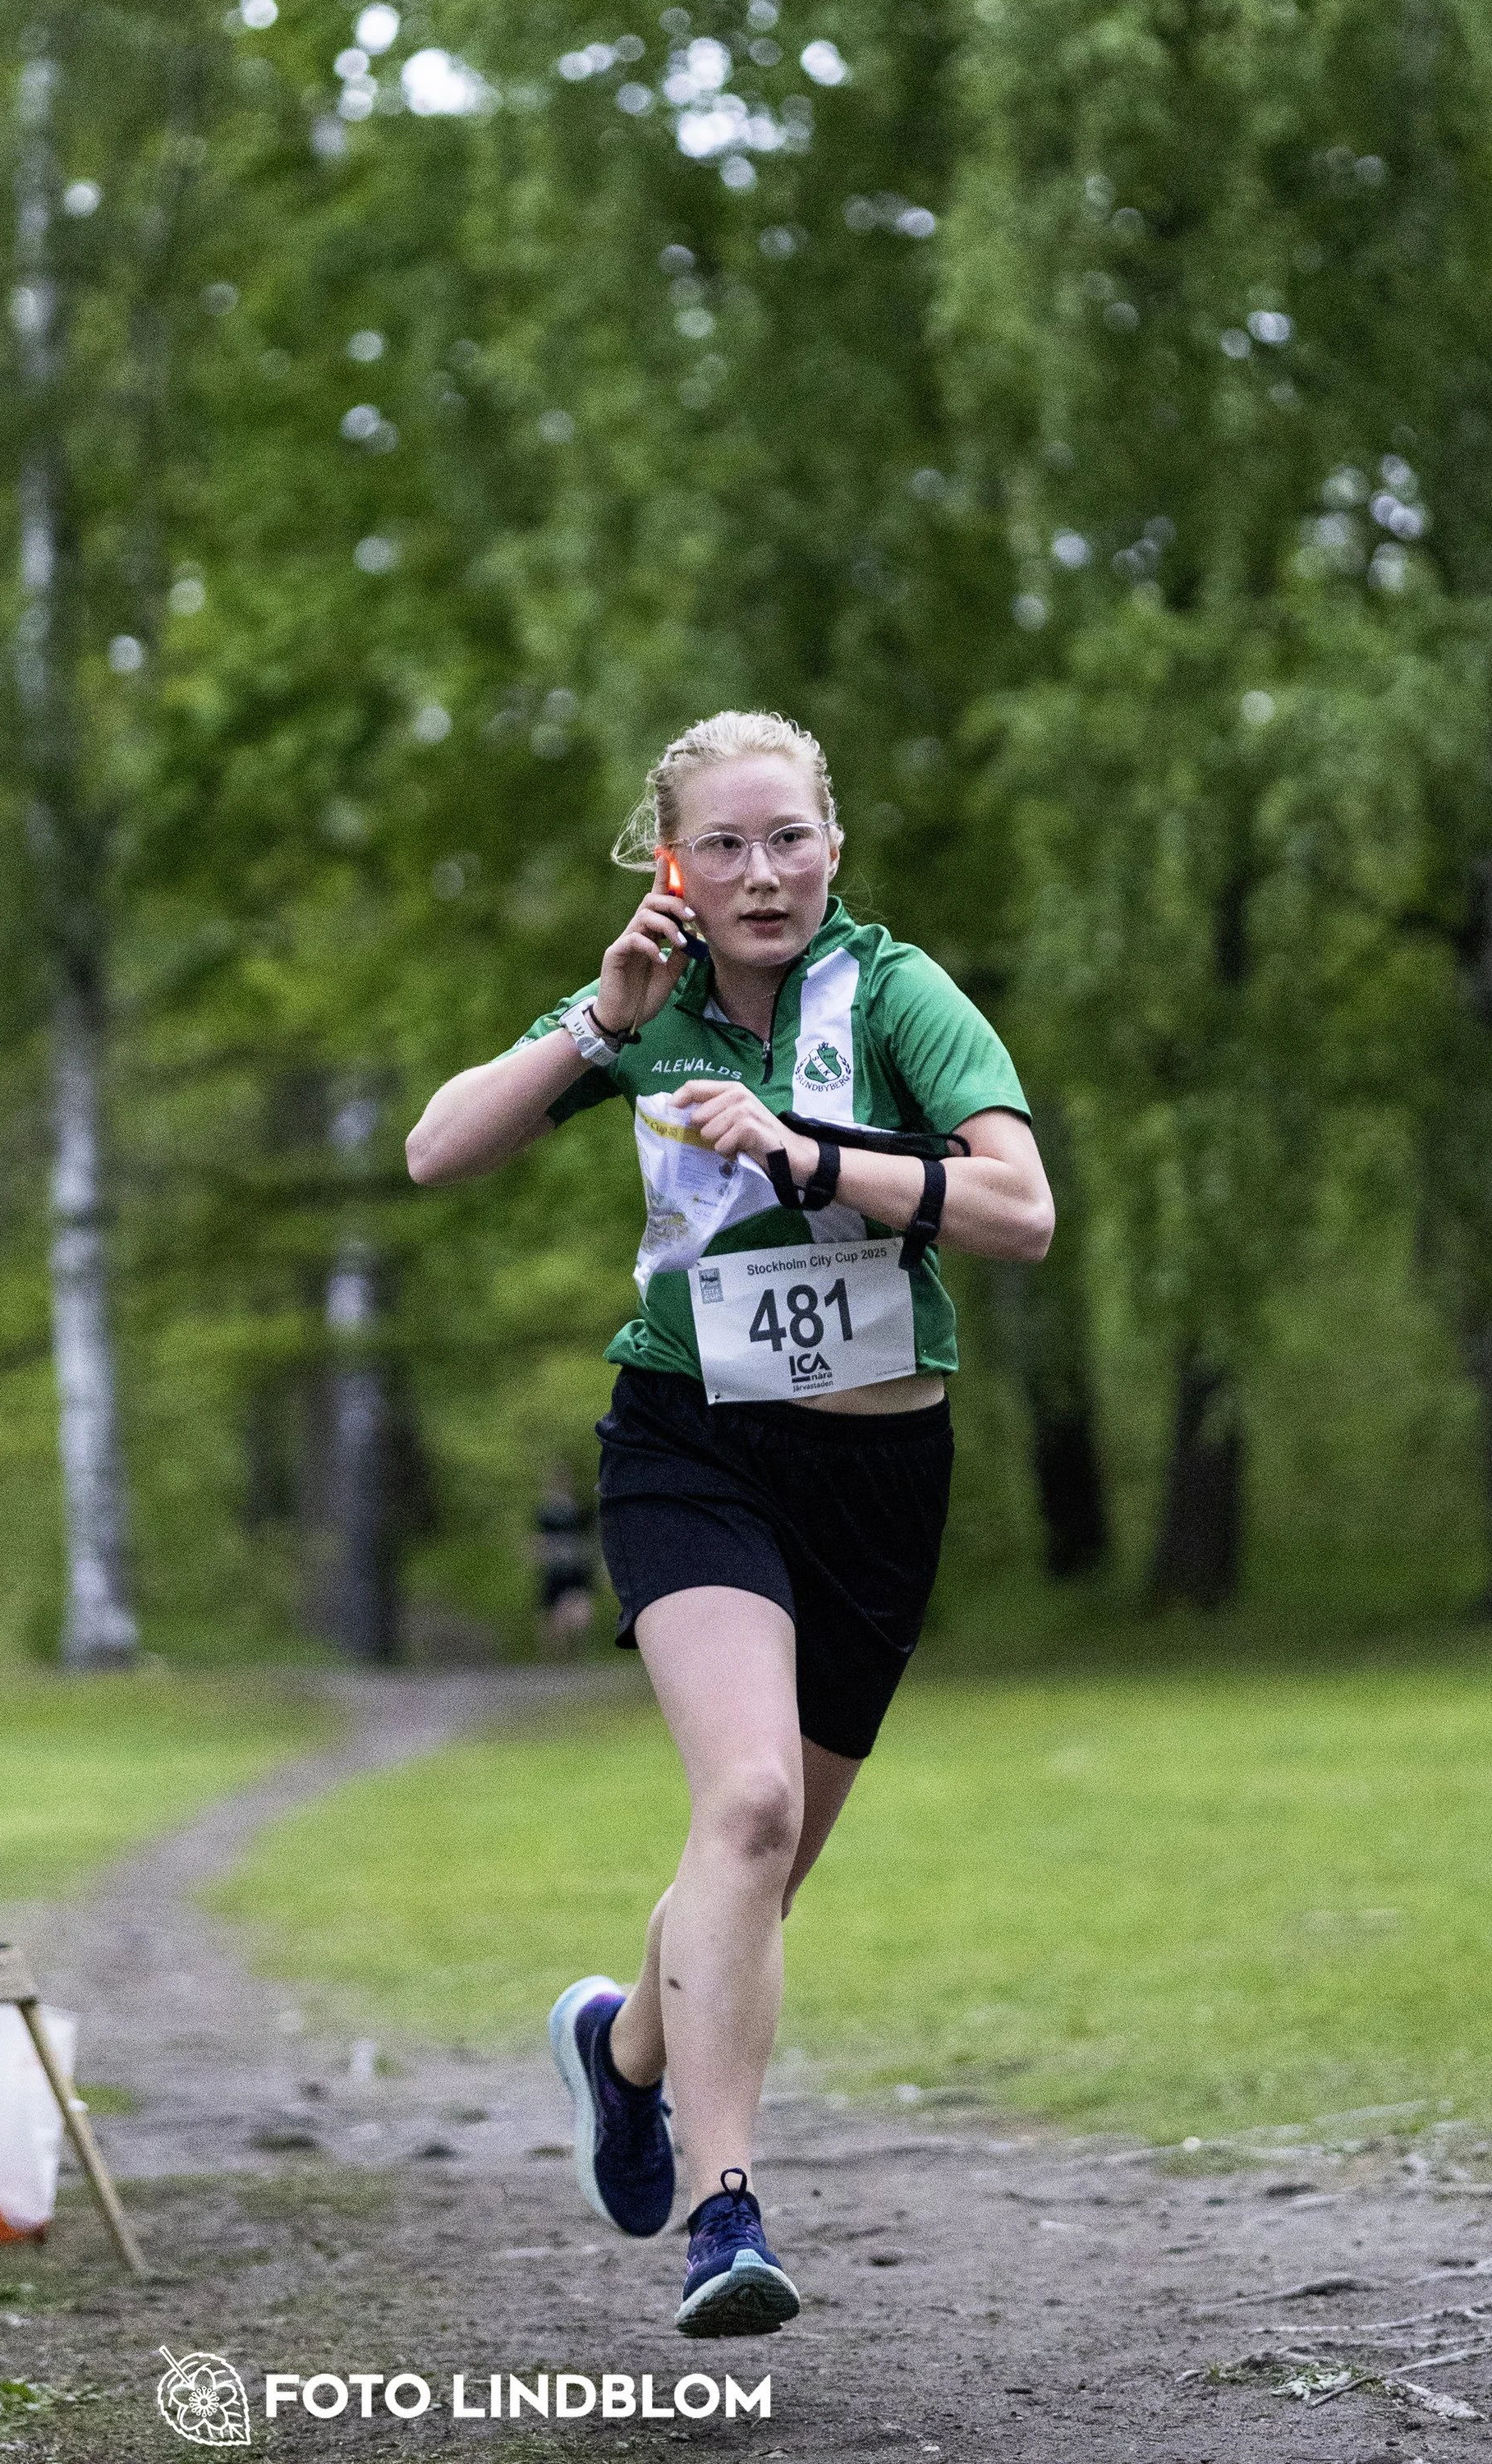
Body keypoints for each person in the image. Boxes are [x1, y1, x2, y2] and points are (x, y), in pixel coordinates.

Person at [405, 710, 1052, 2337]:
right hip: (689, 1445)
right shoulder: (643, 1004)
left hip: (877, 1477)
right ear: (668, 862)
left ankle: (621, 2047)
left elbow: (1019, 1211)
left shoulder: (894, 994)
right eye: (723, 845)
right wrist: (590, 1022)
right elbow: (434, 1149)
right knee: (746, 1802)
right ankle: (725, 2207)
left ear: (832, 841)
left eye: (788, 838)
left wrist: (814, 1152)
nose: (760, 873)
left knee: (757, 1870)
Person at [534, 1462, 599, 1656]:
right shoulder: (545, 1513)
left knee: (579, 1611)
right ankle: (557, 1657)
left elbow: (590, 1538)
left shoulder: (579, 1510)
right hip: (555, 1568)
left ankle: (572, 1652)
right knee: (551, 1613)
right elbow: (538, 1540)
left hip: (576, 1568)